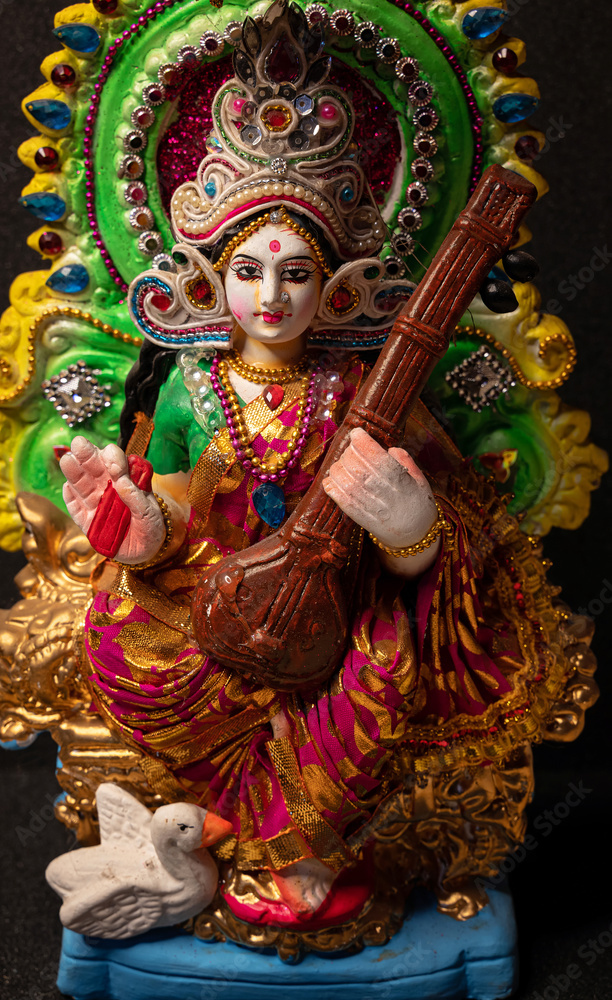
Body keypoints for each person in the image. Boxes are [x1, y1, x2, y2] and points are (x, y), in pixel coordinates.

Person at [58, 6, 571, 927]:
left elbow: (449, 542)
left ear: (334, 286)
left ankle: (305, 840)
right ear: (209, 281)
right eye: (247, 271)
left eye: (296, 275)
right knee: (116, 641)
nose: (270, 296)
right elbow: (167, 518)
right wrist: (136, 531)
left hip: (343, 611)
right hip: (216, 605)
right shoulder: (189, 388)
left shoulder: (368, 390)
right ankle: (226, 815)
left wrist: (410, 530)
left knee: (380, 670)